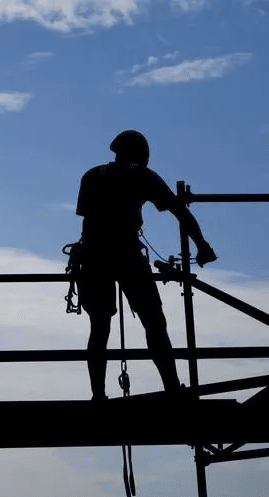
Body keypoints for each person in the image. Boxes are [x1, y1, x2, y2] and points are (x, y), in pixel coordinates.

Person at [75, 130, 217, 401]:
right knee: (154, 322)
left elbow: (87, 221)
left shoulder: (92, 176)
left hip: (93, 257)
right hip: (127, 256)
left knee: (99, 327)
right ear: (141, 154)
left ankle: (98, 395)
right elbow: (180, 212)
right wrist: (202, 246)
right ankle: (172, 389)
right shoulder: (142, 176)